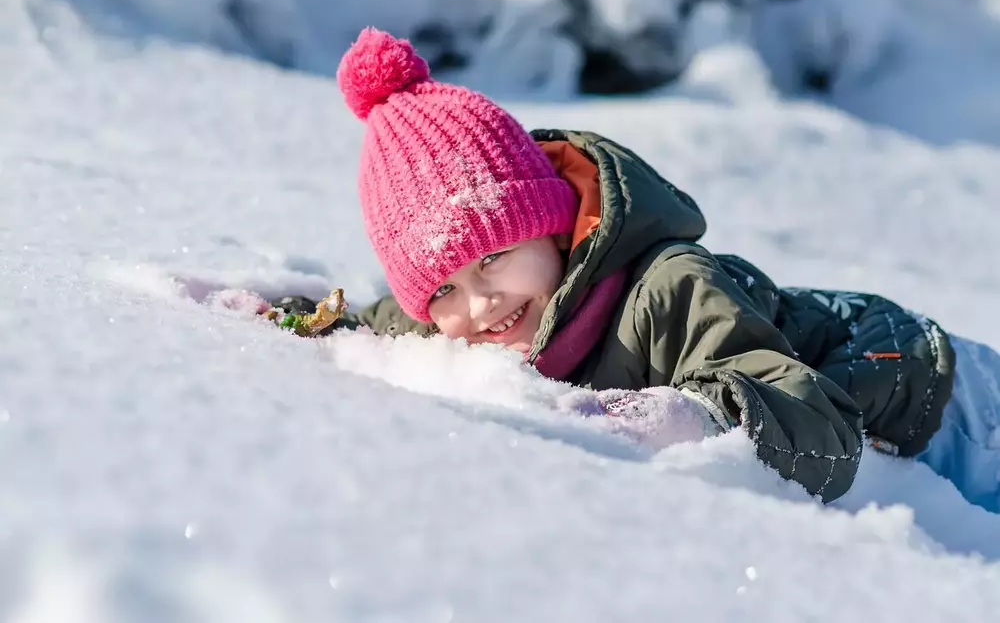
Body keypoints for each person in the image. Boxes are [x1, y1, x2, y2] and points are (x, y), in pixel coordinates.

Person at [272, 27, 999, 512]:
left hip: (935, 397)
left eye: (495, 256)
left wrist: (692, 416)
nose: (479, 302)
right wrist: (301, 320)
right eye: (445, 288)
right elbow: (381, 321)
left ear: (555, 231)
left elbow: (820, 427)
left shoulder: (668, 287)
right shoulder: (456, 319)